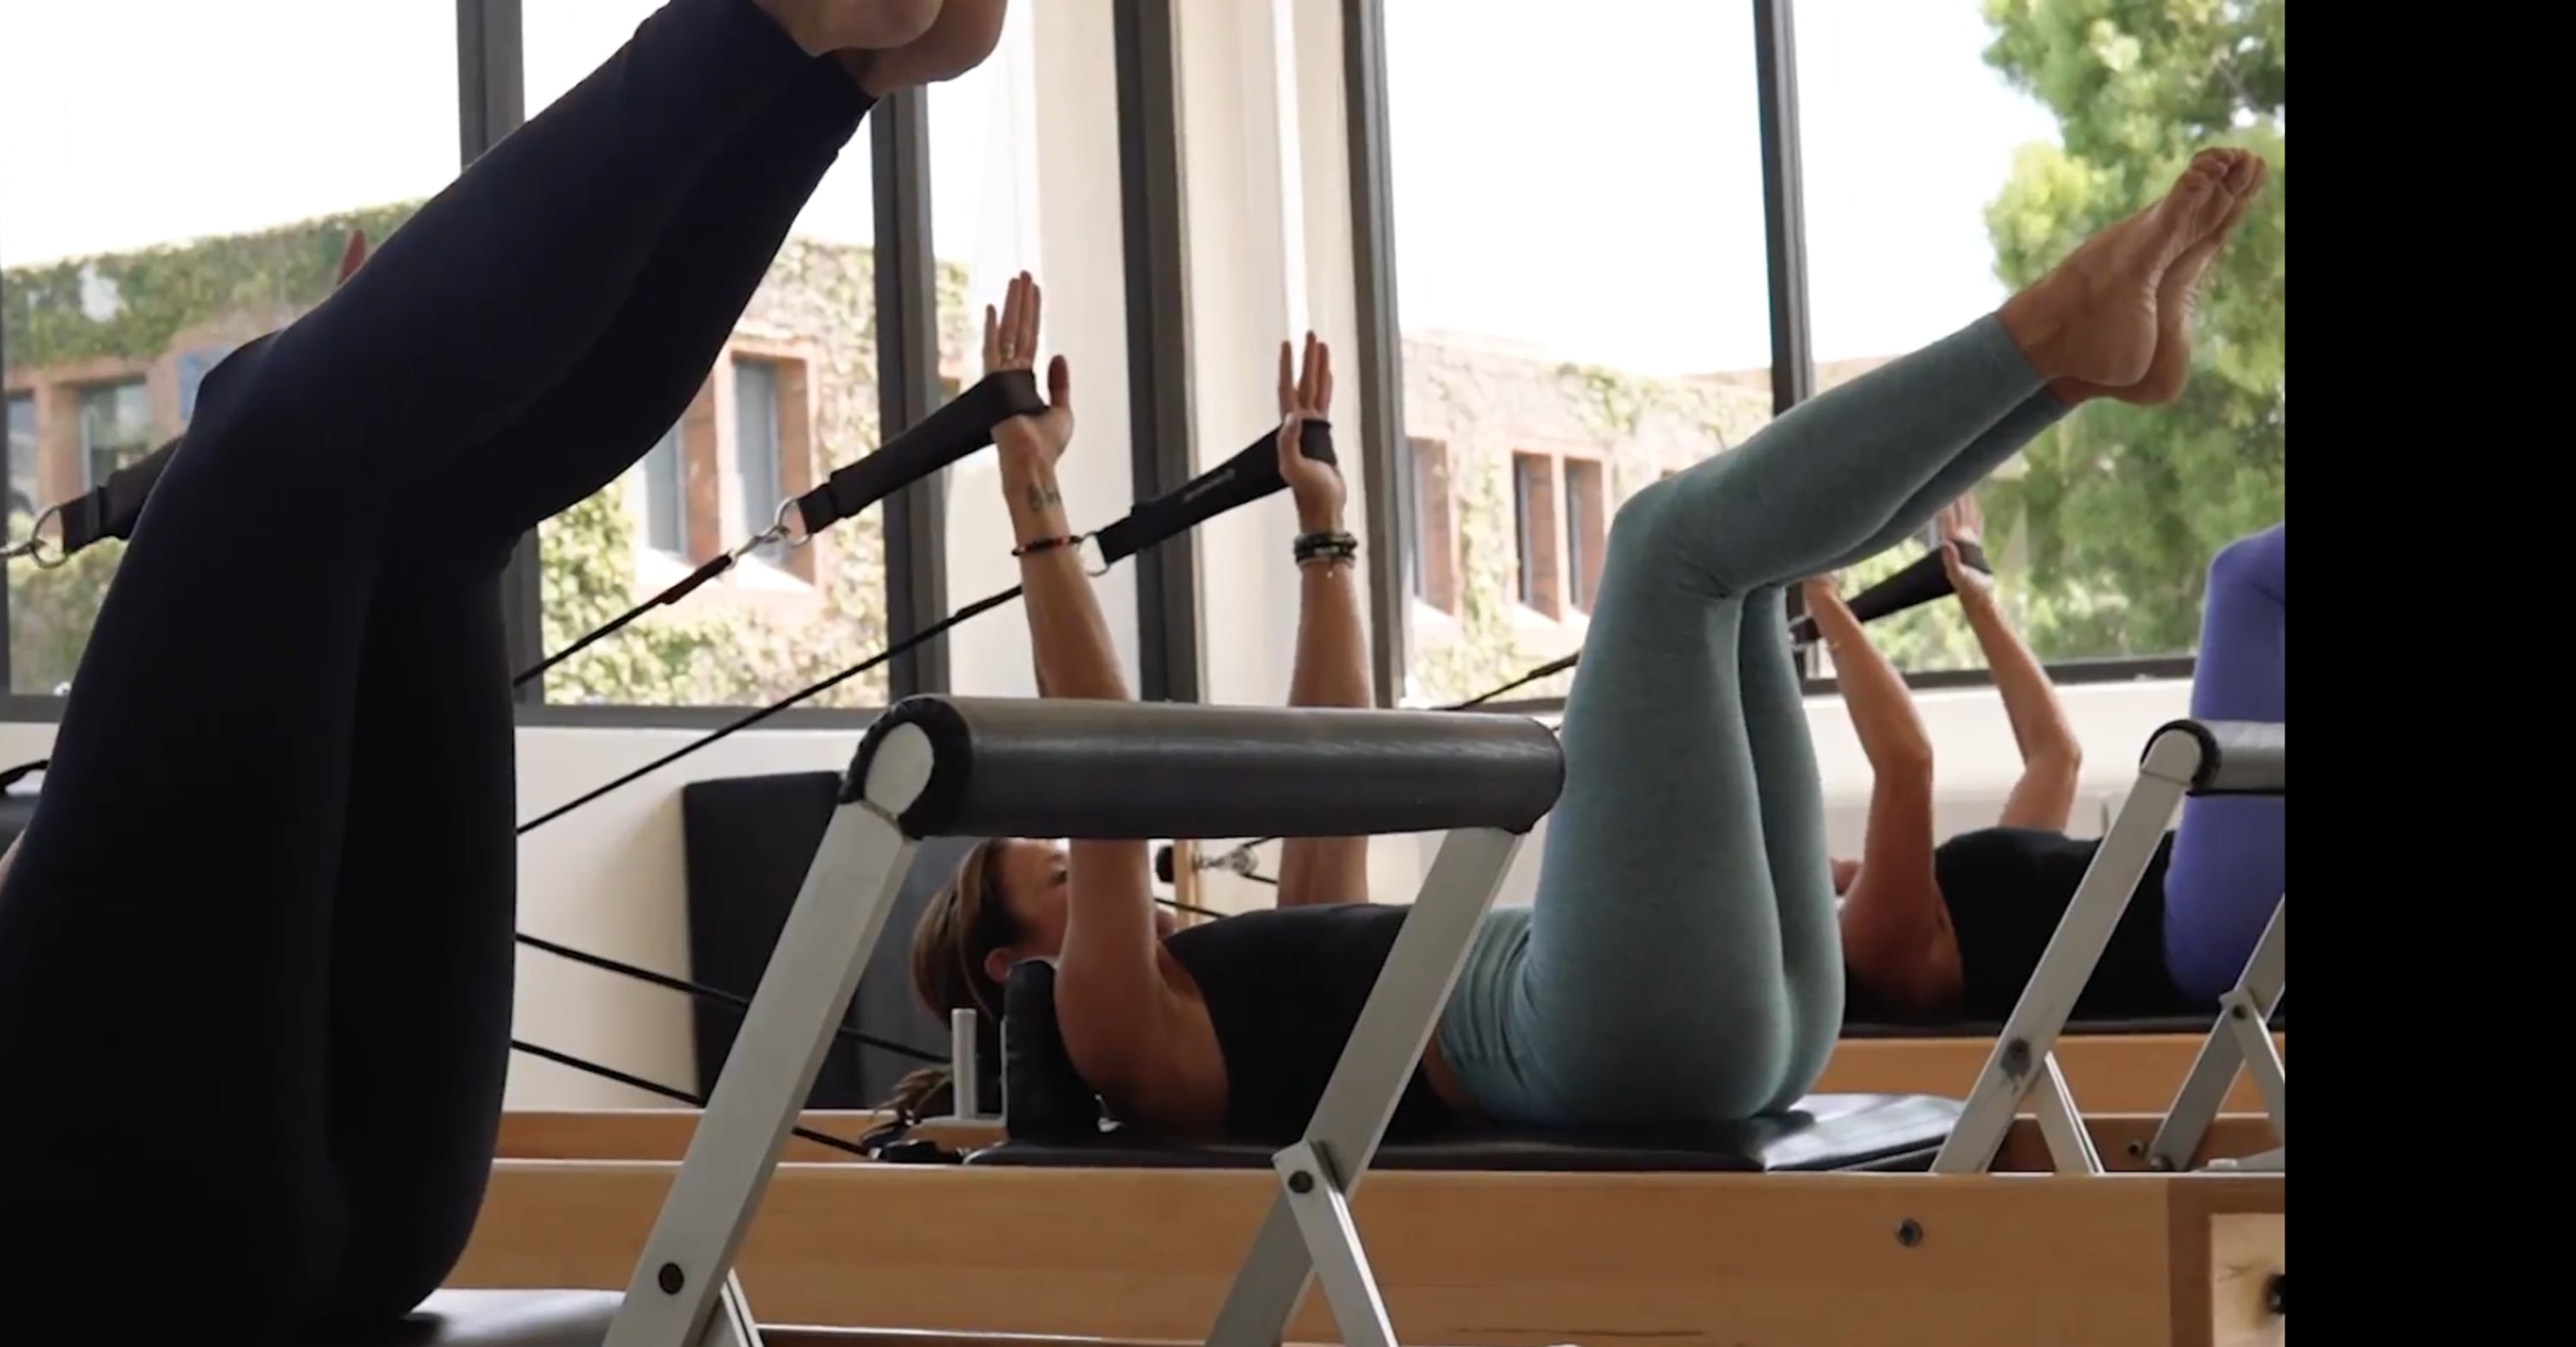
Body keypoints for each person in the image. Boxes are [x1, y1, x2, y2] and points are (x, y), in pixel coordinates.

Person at [0, 0, 1010, 1347]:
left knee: (424, 508)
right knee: (272, 438)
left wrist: (237, 648)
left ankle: (833, 74)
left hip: (296, 1201)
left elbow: (33, 956)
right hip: (63, 1210)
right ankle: (769, 26)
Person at [905, 147, 2271, 1136]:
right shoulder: (1117, 1032)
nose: (1121, 871)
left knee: (1740, 563)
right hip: (1603, 1033)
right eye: (1060, 877)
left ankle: (2084, 366)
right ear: (1014, 966)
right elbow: (1103, 785)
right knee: (1669, 545)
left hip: (1737, 1021)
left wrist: (1325, 536)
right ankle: (2048, 336)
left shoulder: (1232, 969)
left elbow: (1330, 758)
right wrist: (1033, 494)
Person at [1814, 509, 2286, 1026]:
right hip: (2201, 941)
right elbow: (1905, 763)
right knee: (2248, 583)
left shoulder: (1982, 904)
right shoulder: (1871, 953)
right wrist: (1817, 592)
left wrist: (1977, 599)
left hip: (2216, 910)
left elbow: (2054, 754)